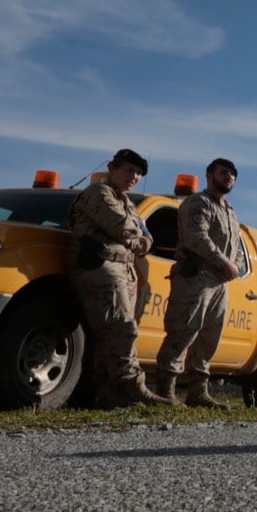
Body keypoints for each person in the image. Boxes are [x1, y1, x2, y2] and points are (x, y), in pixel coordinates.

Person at [66, 149, 171, 408]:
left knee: (112, 335)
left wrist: (134, 237)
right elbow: (122, 227)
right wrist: (134, 236)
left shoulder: (128, 203)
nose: (134, 177)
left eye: (138, 173)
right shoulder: (97, 194)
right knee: (121, 327)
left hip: (125, 268)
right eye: (129, 170)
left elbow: (147, 240)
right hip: (100, 264)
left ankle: (109, 393)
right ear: (112, 168)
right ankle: (134, 386)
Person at [156, 158, 245, 408]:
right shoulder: (197, 203)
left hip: (218, 283)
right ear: (210, 175)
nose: (229, 177)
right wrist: (222, 261)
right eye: (224, 172)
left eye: (233, 175)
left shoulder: (230, 211)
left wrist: (234, 265)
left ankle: (198, 392)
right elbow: (196, 237)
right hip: (195, 277)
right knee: (183, 331)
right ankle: (166, 391)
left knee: (209, 337)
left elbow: (236, 246)